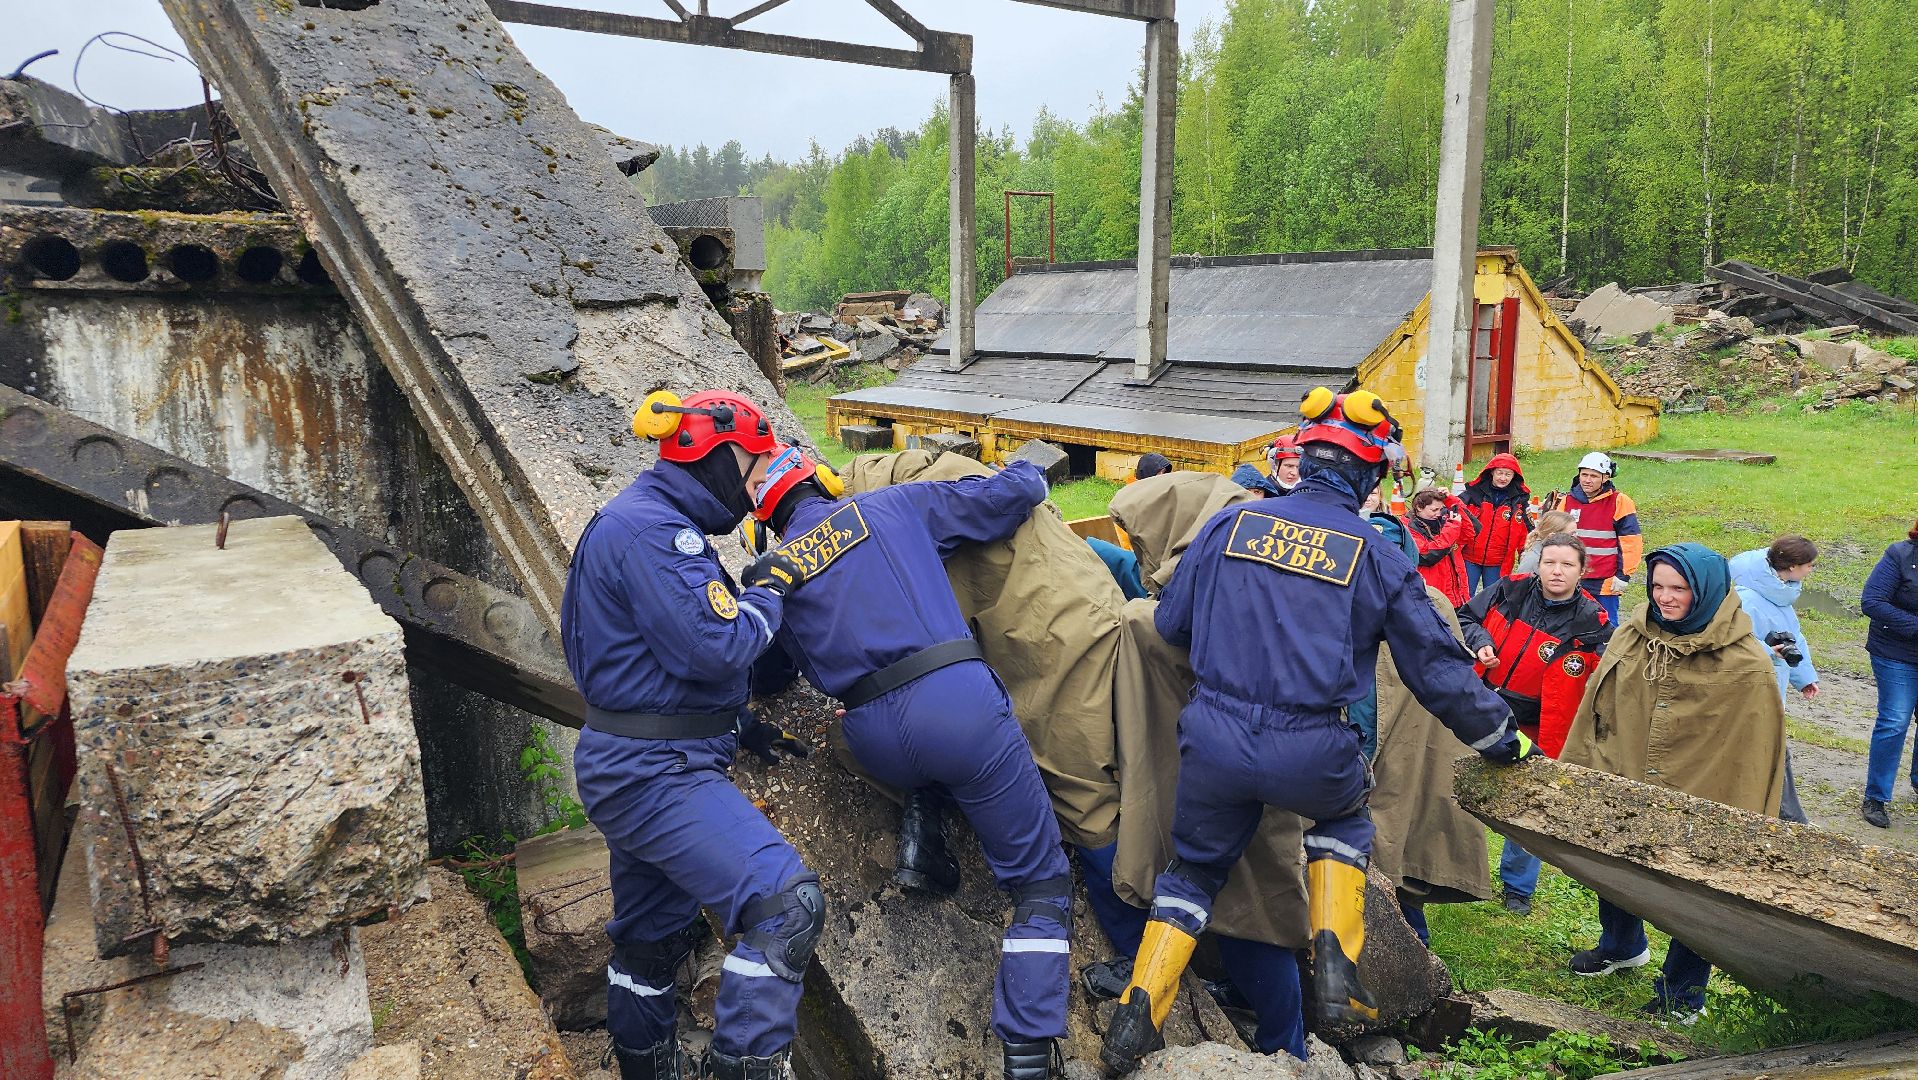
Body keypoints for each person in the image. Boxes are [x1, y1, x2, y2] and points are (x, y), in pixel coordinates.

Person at [1097, 386, 1534, 1074]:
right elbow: (1436, 668)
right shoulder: (1377, 553)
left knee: (1194, 872)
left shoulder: (1227, 526)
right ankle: (1337, 969)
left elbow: (1172, 624)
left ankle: (1138, 1011)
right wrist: (1501, 739)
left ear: (1302, 458)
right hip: (1312, 745)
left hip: (1212, 736)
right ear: (1369, 475)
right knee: (1342, 825)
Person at [747, 437, 1074, 1079]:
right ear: (823, 480)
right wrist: (1028, 468)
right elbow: (1010, 498)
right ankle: (1030, 1054)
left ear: (766, 520)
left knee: (906, 754)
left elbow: (767, 676)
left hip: (873, 735)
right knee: (1039, 882)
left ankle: (923, 830)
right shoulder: (892, 506)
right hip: (957, 704)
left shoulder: (771, 573)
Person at [564, 390, 821, 1080]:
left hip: (636, 759)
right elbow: (715, 645)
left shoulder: (637, 520)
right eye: (749, 465)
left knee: (649, 942)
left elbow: (637, 659)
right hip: (658, 773)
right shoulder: (659, 535)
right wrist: (771, 589)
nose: (752, 484)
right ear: (711, 455)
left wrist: (737, 723)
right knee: (786, 905)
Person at [1558, 543, 1787, 1023]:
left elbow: (1756, 752)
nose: (1665, 597)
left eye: (1678, 588)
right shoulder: (1635, 634)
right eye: (1658, 585)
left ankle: (1683, 993)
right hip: (1626, 770)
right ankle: (1622, 944)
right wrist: (1582, 768)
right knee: (1612, 862)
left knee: (1694, 888)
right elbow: (1598, 704)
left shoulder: (1746, 663)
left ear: (1705, 590)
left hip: (1704, 791)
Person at [1457, 535, 1611, 916]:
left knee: (1527, 808)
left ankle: (1517, 888)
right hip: (1481, 706)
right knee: (1451, 786)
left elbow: (1612, 675)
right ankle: (1452, 867)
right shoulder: (1510, 589)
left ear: (1582, 571)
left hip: (1538, 724)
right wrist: (1481, 641)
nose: (1556, 571)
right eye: (1550, 563)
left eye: (1567, 565)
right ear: (1538, 564)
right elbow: (1464, 616)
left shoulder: (1593, 621)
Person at [1730, 536, 1819, 825]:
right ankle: (1791, 819)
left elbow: (1794, 637)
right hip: (1750, 691)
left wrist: (1803, 677)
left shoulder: (1781, 595)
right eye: (1809, 566)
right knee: (1773, 752)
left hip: (1772, 686)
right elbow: (1735, 644)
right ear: (1792, 567)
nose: (1811, 571)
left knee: (1773, 751)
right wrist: (1770, 652)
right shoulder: (1748, 599)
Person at [1861, 519, 1918, 829]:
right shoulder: (1899, 555)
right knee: (1895, 720)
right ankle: (1876, 797)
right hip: (1896, 652)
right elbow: (1871, 601)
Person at [1552, 452, 1641, 624]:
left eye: (1593, 476)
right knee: (1568, 622)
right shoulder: (1567, 501)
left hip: (1604, 578)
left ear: (1606, 477)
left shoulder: (1620, 502)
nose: (1587, 480)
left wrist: (1623, 575)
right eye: (1584, 474)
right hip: (1573, 574)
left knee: (1606, 624)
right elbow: (1556, 537)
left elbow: (1631, 541)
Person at [1460, 453, 1533, 595]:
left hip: (1498, 561)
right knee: (1464, 595)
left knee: (1493, 599)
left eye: (1508, 474)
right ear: (1492, 471)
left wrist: (1527, 554)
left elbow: (1528, 531)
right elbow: (1455, 508)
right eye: (1500, 473)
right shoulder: (1473, 493)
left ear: (1514, 476)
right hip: (1469, 557)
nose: (1503, 478)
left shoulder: (1519, 501)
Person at [1403, 487, 1475, 608]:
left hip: (1456, 593)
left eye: (1441, 509)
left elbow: (1470, 531)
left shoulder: (1444, 521)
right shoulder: (1409, 527)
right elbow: (1428, 556)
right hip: (1433, 597)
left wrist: (1452, 502)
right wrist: (1452, 528)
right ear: (1419, 508)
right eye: (1434, 510)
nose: (1438, 513)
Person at [1513, 511, 1576, 576]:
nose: (1575, 538)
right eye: (1571, 534)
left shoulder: (1556, 556)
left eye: (1575, 534)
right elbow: (1522, 585)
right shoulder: (1533, 562)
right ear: (1553, 536)